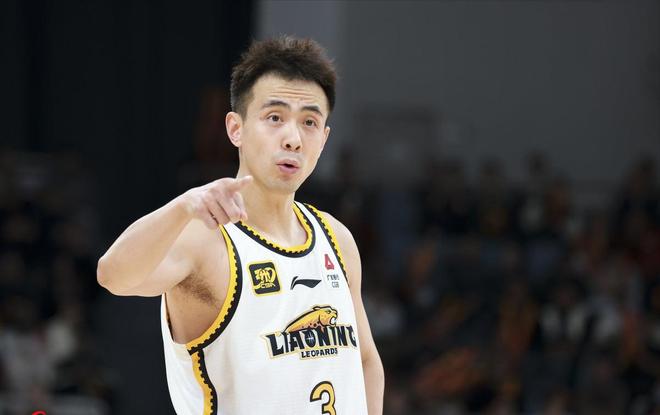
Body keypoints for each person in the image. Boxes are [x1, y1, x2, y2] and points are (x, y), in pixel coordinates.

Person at [97, 36, 384, 415]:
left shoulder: (337, 238)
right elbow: (114, 276)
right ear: (236, 128)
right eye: (275, 118)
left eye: (310, 122)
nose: (293, 139)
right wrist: (181, 207)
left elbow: (365, 360)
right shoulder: (205, 238)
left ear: (324, 139)